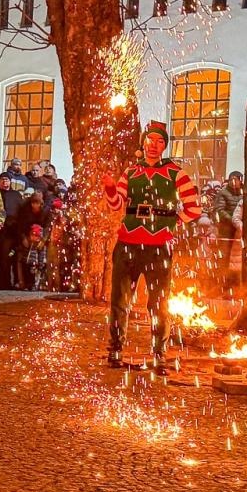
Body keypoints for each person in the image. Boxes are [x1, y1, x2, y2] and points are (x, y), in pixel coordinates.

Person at [104, 120, 202, 369]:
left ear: (164, 146)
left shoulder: (175, 173)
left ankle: (159, 352)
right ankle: (115, 349)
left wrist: (170, 224)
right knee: (120, 299)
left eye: (160, 142)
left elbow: (194, 208)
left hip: (159, 246)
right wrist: (110, 190)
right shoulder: (131, 172)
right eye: (150, 140)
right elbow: (116, 206)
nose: (154, 146)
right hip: (128, 242)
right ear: (143, 143)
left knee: (159, 301)